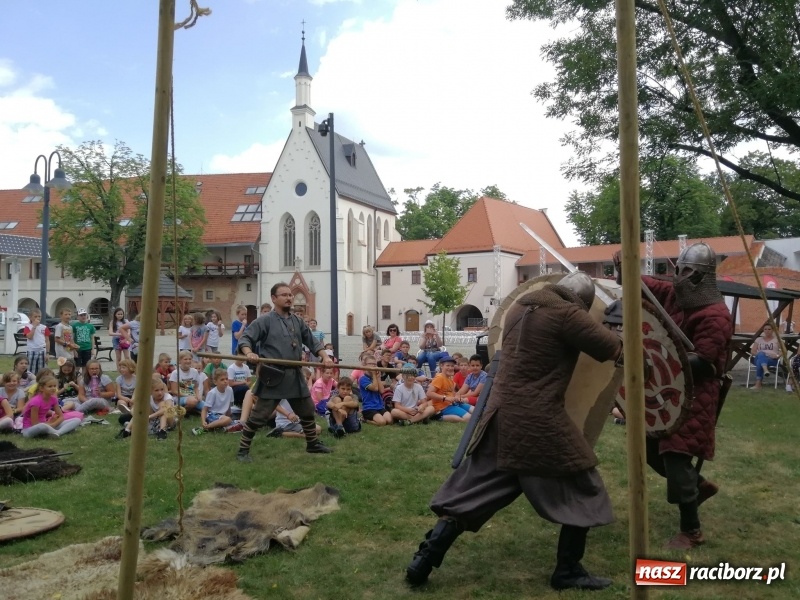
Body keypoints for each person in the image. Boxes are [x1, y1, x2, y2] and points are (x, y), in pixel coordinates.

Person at [406, 272, 623, 591]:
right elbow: (611, 348)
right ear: (581, 302)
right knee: (583, 486)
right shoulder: (567, 314)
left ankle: (424, 558)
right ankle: (568, 570)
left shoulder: (523, 306)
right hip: (539, 421)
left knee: (476, 490)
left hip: (499, 415)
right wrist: (618, 324)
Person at [614, 242, 733, 549]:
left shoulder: (715, 314)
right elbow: (642, 284)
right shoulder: (674, 296)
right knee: (646, 444)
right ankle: (696, 486)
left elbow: (704, 361)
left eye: (688, 272)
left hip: (696, 392)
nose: (680, 277)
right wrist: (625, 266)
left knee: (675, 454)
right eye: (679, 270)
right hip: (665, 386)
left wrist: (660, 362)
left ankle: (692, 531)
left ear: (703, 277)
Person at [235, 282, 333, 461]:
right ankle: (243, 450)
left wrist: (324, 357)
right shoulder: (264, 321)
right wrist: (250, 353)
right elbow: (246, 339)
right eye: (284, 295)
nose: (289, 297)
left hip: (295, 374)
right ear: (274, 299)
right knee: (259, 416)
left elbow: (312, 341)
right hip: (273, 375)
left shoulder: (297, 321)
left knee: (307, 411)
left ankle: (312, 444)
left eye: (290, 295)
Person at [426, 355, 472, 423]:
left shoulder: (450, 378)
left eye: (452, 366)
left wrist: (457, 398)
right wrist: (445, 398)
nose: (450, 368)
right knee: (468, 418)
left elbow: (452, 393)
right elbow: (429, 393)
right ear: (441, 366)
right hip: (443, 407)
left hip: (453, 403)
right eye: (448, 365)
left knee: (475, 411)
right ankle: (438, 417)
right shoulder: (439, 378)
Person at [193, 368, 234, 435]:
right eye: (222, 379)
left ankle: (219, 427)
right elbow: (205, 409)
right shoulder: (212, 393)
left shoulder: (230, 390)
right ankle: (206, 427)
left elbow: (228, 405)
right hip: (212, 415)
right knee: (228, 420)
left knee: (235, 421)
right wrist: (203, 421)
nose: (225, 381)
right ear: (215, 382)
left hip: (222, 416)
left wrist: (229, 416)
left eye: (226, 379)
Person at [359, 356, 394, 426]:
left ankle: (376, 417)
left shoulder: (376, 377)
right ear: (365, 365)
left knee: (390, 421)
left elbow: (381, 391)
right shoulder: (363, 379)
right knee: (382, 422)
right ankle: (365, 419)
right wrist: (374, 375)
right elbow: (375, 388)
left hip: (380, 406)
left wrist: (378, 377)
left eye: (374, 364)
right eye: (370, 364)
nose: (373, 366)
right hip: (369, 408)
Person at [750, 325, 780, 390]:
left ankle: (758, 384)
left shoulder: (777, 340)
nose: (767, 331)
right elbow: (752, 351)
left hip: (771, 359)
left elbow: (784, 351)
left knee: (759, 362)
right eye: (765, 329)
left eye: (769, 329)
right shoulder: (759, 339)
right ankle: (765, 370)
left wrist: (777, 356)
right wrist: (760, 355)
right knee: (761, 354)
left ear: (772, 330)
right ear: (763, 331)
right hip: (759, 357)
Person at [24, 309, 51, 375]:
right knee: (30, 370)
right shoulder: (27, 327)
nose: (37, 318)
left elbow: (47, 341)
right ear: (30, 317)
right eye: (35, 317)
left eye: (39, 316)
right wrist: (34, 326)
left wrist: (47, 353)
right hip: (31, 350)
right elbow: (29, 337)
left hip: (42, 350)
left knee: (42, 371)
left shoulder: (44, 327)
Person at [72, 309, 96, 375]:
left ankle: (84, 380)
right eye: (81, 315)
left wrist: (93, 349)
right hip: (78, 349)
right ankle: (76, 378)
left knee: (85, 366)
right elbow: (72, 338)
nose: (83, 317)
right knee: (77, 366)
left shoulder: (90, 326)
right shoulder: (74, 326)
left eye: (84, 315)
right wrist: (74, 349)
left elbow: (92, 338)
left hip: (87, 348)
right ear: (78, 317)